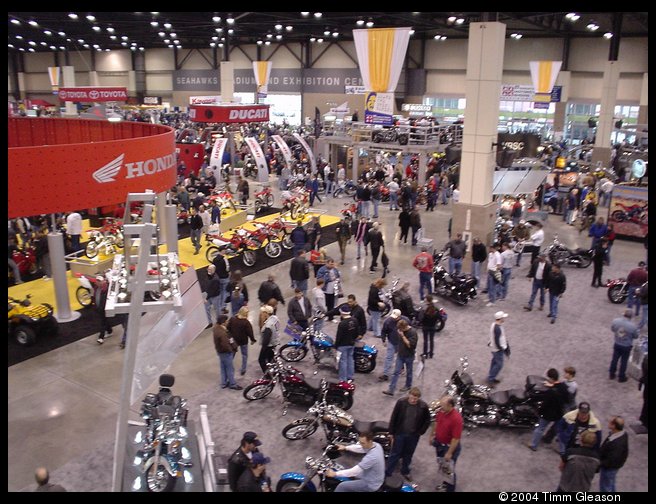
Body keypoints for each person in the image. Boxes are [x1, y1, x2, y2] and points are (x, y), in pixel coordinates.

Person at [385, 387, 431, 480]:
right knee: (395, 453)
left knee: (408, 453)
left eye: (416, 399)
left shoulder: (423, 406)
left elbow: (427, 420)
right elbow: (394, 417)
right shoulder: (401, 403)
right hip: (400, 433)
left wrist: (421, 431)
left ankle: (405, 471)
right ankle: (388, 472)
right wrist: (391, 432)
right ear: (409, 395)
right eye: (412, 398)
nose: (414, 400)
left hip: (413, 435)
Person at [527, 368, 569, 451]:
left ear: (551, 378)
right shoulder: (564, 387)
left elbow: (545, 404)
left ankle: (533, 445)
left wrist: (539, 412)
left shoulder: (550, 392)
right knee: (559, 430)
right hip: (559, 413)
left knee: (540, 429)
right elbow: (567, 400)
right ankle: (561, 450)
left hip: (548, 414)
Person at [430, 395, 464, 492]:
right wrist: (432, 435)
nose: (441, 407)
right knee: (442, 465)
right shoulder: (442, 411)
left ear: (450, 405)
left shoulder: (456, 419)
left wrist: (449, 452)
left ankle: (450, 489)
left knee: (449, 470)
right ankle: (445, 484)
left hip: (448, 448)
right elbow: (436, 422)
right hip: (439, 444)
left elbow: (456, 438)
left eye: (443, 405)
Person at [383, 319, 418, 396]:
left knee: (409, 372)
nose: (399, 330)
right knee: (396, 372)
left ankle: (408, 385)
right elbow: (399, 342)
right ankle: (391, 389)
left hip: (409, 356)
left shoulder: (413, 333)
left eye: (400, 329)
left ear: (404, 327)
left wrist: (403, 336)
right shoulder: (400, 330)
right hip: (400, 355)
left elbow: (410, 345)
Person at [599, 416, 629, 492]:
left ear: (614, 426)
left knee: (605, 487)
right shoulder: (621, 434)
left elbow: (611, 460)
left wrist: (599, 463)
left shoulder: (617, 444)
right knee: (610, 484)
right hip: (613, 466)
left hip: (609, 468)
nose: (608, 423)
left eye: (610, 422)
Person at [609, 309, 639, 382]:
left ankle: (611, 373)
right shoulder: (633, 326)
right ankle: (621, 377)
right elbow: (636, 336)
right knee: (624, 361)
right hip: (626, 346)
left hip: (617, 343)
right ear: (631, 316)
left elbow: (612, 329)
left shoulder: (616, 321)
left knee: (614, 359)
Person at [379, 309, 409, 382]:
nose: (394, 318)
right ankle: (385, 374)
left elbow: (409, 330)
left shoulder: (406, 320)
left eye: (396, 317)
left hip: (401, 342)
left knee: (401, 356)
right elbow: (383, 331)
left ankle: (402, 368)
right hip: (391, 342)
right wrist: (383, 340)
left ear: (400, 316)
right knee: (389, 358)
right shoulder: (388, 321)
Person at [213, 314, 242, 390]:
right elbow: (225, 344)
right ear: (223, 322)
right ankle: (233, 384)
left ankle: (224, 383)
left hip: (220, 352)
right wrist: (231, 350)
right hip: (226, 353)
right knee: (230, 369)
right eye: (226, 321)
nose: (228, 322)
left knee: (223, 367)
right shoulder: (222, 333)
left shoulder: (216, 328)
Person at [227, 306, 256, 377]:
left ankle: (229, 368)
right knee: (244, 355)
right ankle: (243, 369)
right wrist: (252, 340)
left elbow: (228, 328)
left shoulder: (232, 319)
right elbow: (250, 332)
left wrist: (230, 336)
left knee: (231, 355)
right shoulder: (246, 322)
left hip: (234, 341)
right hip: (243, 341)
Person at [335, 304, 360, 382]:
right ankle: (350, 376)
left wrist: (336, 345)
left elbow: (339, 336)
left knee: (343, 362)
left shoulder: (342, 324)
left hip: (342, 345)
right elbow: (357, 333)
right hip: (351, 343)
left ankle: (343, 379)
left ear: (342, 313)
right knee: (350, 359)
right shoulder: (355, 320)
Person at [487, 311, 509, 386]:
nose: (504, 319)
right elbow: (497, 340)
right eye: (503, 317)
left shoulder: (494, 325)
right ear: (500, 318)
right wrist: (501, 348)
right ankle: (491, 378)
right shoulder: (498, 328)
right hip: (497, 350)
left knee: (494, 362)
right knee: (499, 365)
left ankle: (491, 376)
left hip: (494, 348)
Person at [417, 295, 441, 359]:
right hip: (433, 326)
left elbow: (420, 318)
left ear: (427, 300)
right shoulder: (436, 308)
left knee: (425, 340)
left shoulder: (424, 309)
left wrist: (421, 323)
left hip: (425, 326)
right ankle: (431, 354)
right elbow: (439, 317)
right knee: (431, 340)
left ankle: (425, 354)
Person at [258, 305, 280, 372]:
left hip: (269, 345)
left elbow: (266, 339)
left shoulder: (268, 326)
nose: (261, 314)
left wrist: (264, 347)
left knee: (261, 359)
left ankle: (267, 374)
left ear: (266, 313)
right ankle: (273, 371)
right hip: (275, 342)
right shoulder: (275, 319)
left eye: (262, 313)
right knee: (271, 359)